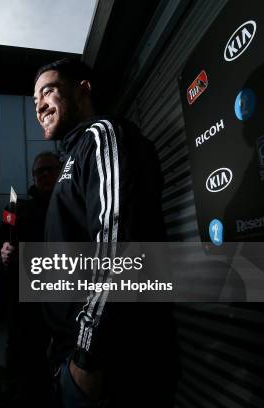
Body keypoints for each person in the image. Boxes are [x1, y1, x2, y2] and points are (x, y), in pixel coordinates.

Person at [32, 59, 178, 407]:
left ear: (83, 90)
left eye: (48, 91)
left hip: (107, 365)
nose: (39, 105)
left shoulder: (101, 135)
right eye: (34, 99)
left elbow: (117, 246)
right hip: (75, 356)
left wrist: (86, 355)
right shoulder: (73, 155)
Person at [0, 151, 60, 408]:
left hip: (64, 301)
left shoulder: (72, 204)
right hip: (23, 305)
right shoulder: (16, 208)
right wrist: (3, 255)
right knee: (22, 360)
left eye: (50, 169)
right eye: (39, 171)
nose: (45, 175)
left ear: (60, 170)